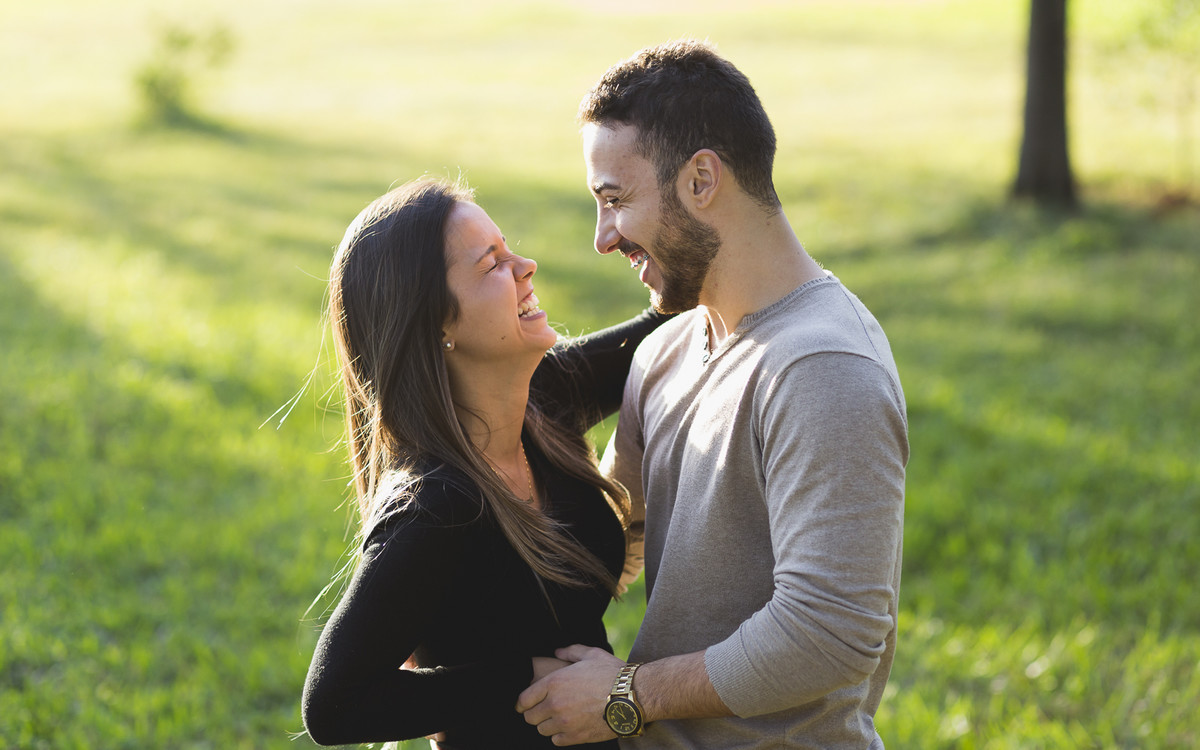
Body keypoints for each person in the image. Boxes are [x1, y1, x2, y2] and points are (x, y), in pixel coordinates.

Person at [516, 39, 908, 748]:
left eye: (615, 200)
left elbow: (831, 633)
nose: (603, 238)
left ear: (702, 180)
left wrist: (630, 695)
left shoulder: (822, 367)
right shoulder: (666, 349)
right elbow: (610, 545)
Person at [301, 177, 668, 749]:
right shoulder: (438, 506)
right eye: (492, 263)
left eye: (509, 246)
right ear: (437, 322)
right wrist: (520, 679)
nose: (527, 265)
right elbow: (335, 706)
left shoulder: (541, 398)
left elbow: (663, 326)